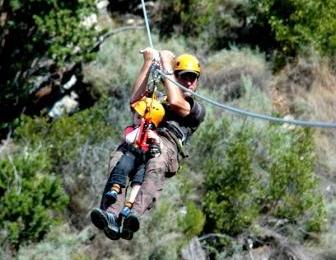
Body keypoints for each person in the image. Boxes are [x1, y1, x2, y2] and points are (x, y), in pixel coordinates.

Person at [90, 47, 206, 240]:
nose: (188, 82)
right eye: (183, 77)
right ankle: (111, 213)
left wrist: (167, 65)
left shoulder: (195, 109)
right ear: (175, 78)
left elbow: (177, 102)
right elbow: (135, 101)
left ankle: (132, 215)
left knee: (156, 162)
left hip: (167, 144)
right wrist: (148, 62)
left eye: (192, 78)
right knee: (118, 157)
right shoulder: (158, 98)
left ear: (196, 83)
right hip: (141, 137)